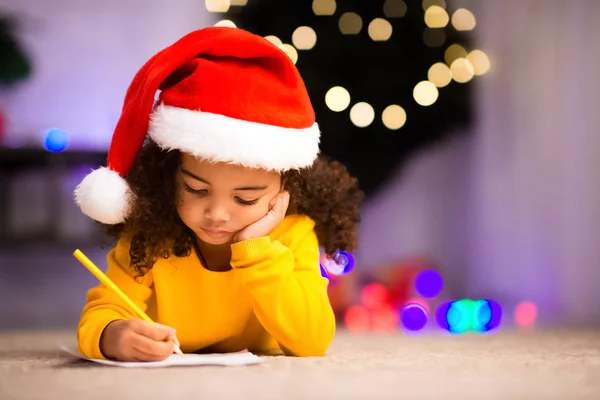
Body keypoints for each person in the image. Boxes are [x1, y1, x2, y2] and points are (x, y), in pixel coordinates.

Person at [73, 26, 363, 362]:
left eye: (246, 199)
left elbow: (312, 342)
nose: (217, 214)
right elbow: (103, 311)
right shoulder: (152, 234)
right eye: (196, 189)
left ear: (285, 190)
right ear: (168, 177)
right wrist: (112, 335)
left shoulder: (294, 233)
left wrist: (254, 248)